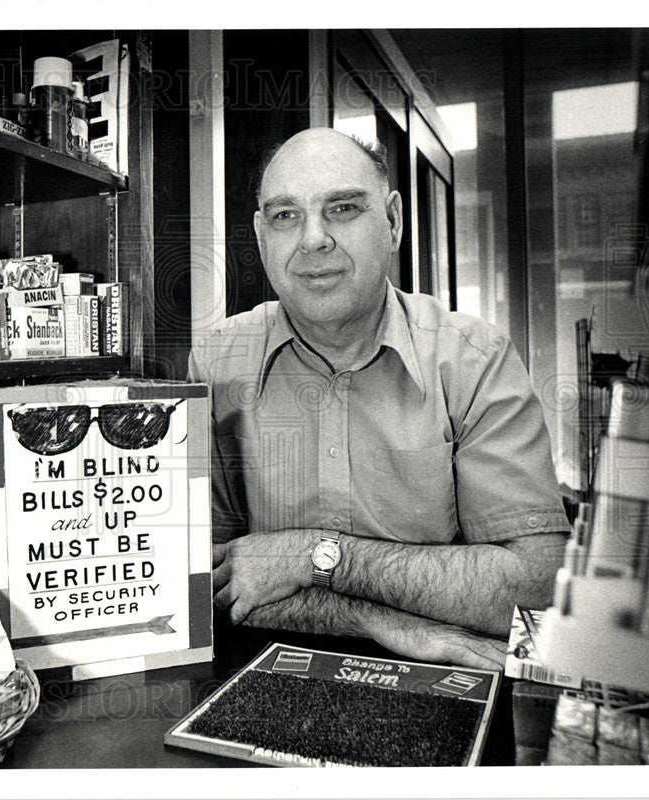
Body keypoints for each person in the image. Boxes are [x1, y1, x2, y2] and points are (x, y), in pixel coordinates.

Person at [187, 128, 570, 669]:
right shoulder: (216, 363)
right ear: (259, 234)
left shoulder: (474, 360)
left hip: (445, 680)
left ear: (392, 221)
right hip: (273, 673)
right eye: (284, 215)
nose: (313, 239)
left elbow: (537, 588)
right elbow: (208, 583)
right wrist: (387, 622)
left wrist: (317, 558)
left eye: (342, 208)